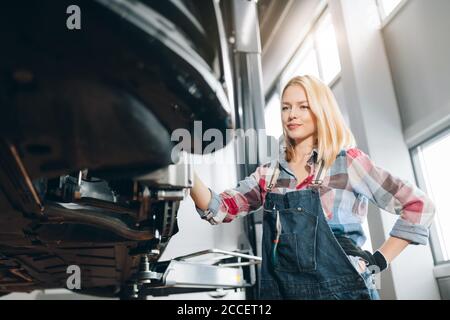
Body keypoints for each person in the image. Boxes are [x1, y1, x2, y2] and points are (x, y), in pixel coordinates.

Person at [190, 75, 435, 300]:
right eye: (286, 107)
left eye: (302, 106)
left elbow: (419, 206)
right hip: (285, 294)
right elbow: (220, 208)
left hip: (344, 293)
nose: (291, 115)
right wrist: (186, 173)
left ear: (321, 110)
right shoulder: (270, 173)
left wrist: (376, 262)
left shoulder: (347, 163)